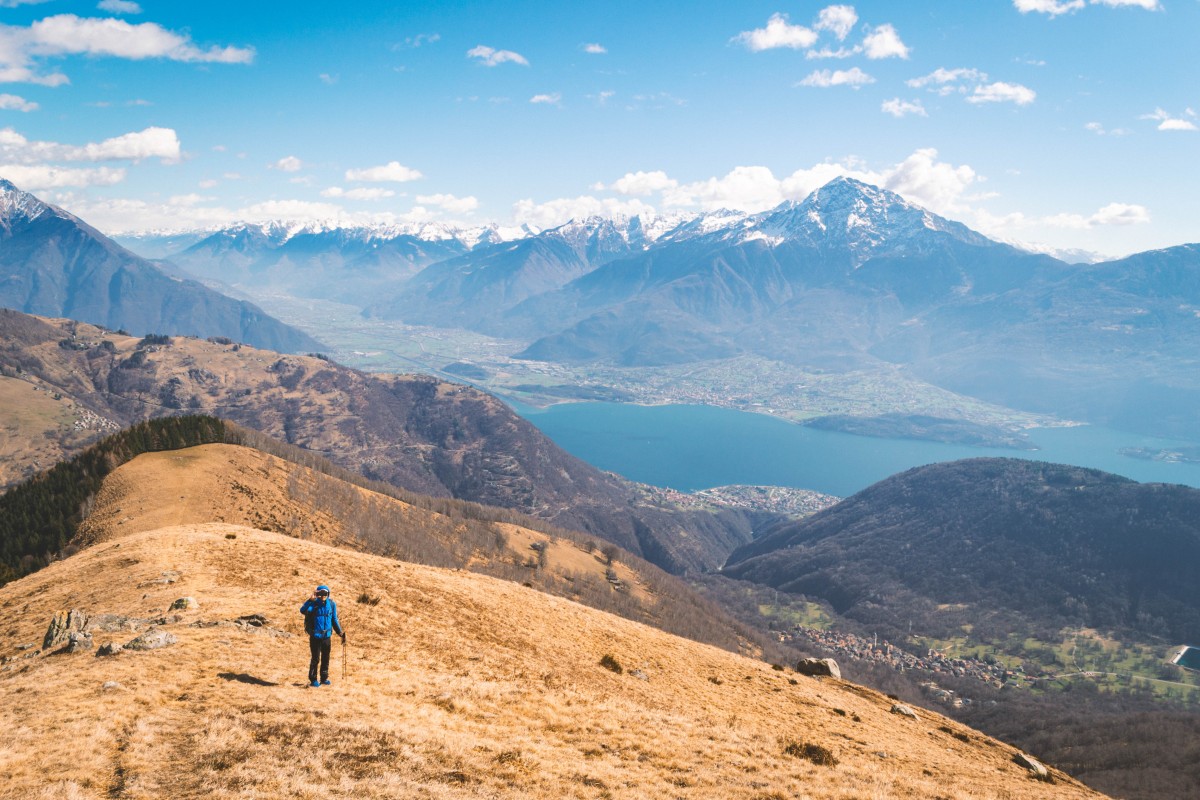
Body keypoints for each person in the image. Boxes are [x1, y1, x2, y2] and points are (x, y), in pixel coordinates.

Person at [300, 584, 345, 687]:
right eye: (321, 593)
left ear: (328, 594)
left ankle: (324, 678)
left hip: (327, 637)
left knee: (326, 658)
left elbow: (334, 619)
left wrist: (340, 632)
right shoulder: (314, 604)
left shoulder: (332, 604)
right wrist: (310, 600)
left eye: (325, 593)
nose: (323, 595)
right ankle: (313, 679)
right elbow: (302, 610)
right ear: (317, 594)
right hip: (315, 637)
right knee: (315, 658)